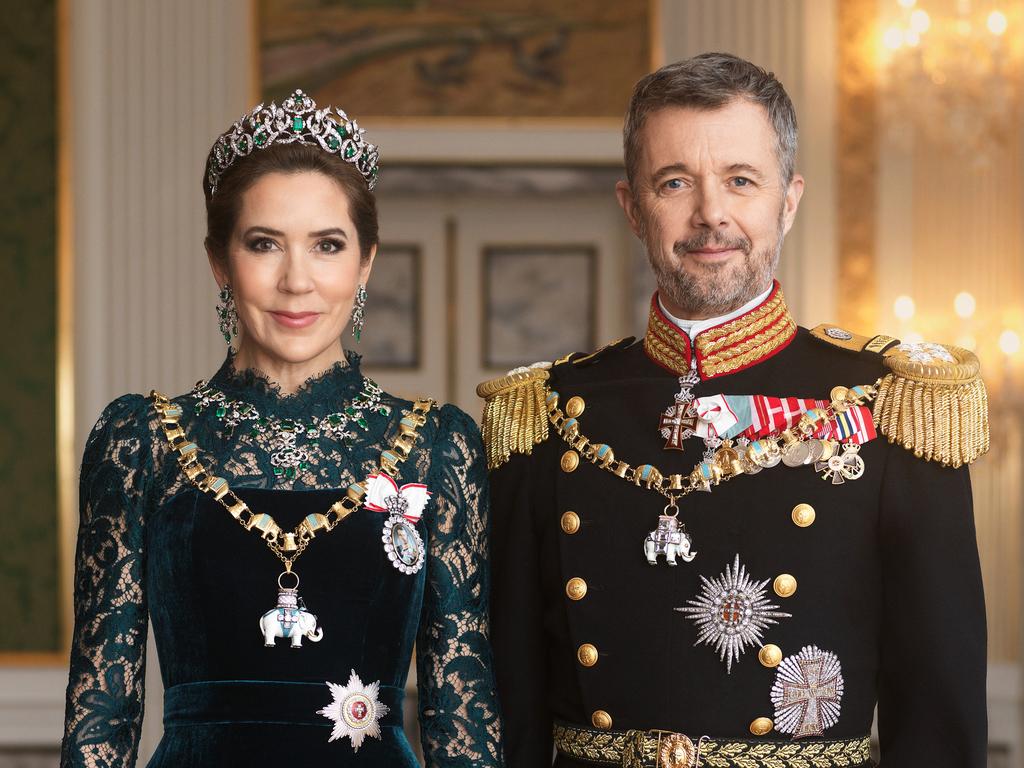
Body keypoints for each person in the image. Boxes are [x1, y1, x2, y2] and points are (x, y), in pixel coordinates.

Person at [480, 53, 987, 768]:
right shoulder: (548, 413)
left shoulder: (894, 403)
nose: (710, 214)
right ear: (632, 207)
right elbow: (511, 714)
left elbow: (939, 717)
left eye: (741, 181)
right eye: (675, 182)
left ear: (789, 199)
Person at [60, 90, 502, 767]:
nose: (298, 281)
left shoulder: (437, 444)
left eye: (327, 246)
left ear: (365, 264)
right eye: (264, 244)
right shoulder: (140, 440)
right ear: (220, 262)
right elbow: (102, 716)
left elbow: (461, 708)